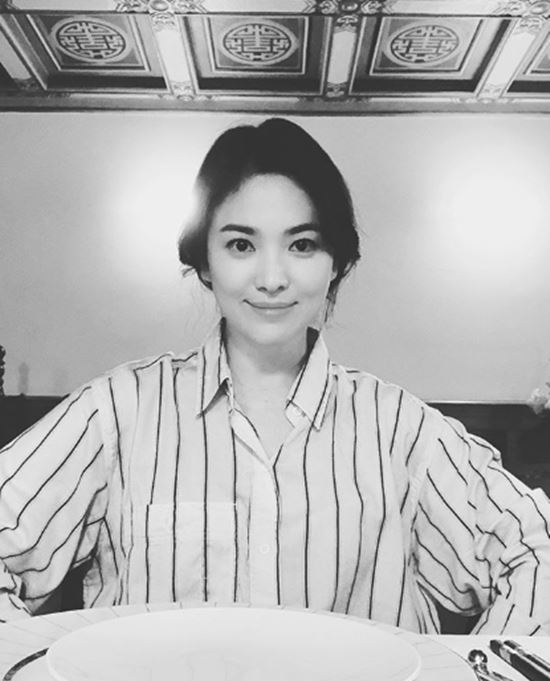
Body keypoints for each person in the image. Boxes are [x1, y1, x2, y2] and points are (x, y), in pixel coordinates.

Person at [1, 118, 549, 635]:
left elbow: (536, 548)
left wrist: (481, 672)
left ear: (336, 262)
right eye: (241, 245)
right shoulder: (118, 413)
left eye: (302, 244)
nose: (271, 278)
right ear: (205, 261)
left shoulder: (402, 432)